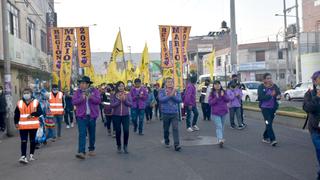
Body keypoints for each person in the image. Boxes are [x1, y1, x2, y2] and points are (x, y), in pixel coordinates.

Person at [72, 76, 101, 159]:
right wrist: (82, 98)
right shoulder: (77, 92)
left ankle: (91, 149)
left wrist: (91, 96)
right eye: (81, 83)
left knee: (92, 134)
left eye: (84, 83)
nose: (82, 85)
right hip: (81, 117)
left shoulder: (94, 91)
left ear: (88, 84)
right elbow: (74, 102)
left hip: (92, 116)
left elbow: (98, 101)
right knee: (82, 134)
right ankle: (81, 152)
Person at [14, 88, 43, 164]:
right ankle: (23, 156)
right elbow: (16, 114)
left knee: (32, 141)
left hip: (33, 126)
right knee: (23, 141)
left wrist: (32, 115)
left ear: (31, 93)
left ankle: (31, 155)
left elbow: (40, 112)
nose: (26, 94)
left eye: (27, 93)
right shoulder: (19, 103)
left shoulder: (36, 102)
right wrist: (16, 122)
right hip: (23, 126)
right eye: (24, 93)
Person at [303, 71, 320, 180]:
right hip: (315, 129)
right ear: (314, 81)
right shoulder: (309, 94)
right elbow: (307, 108)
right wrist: (317, 98)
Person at [257, 73, 281, 146]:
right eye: (267, 78)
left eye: (270, 78)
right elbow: (261, 97)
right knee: (268, 122)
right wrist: (270, 95)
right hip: (265, 109)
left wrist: (278, 96)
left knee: (269, 123)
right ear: (264, 80)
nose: (269, 80)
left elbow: (278, 93)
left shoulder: (274, 86)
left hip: (273, 108)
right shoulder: (261, 87)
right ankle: (273, 139)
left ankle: (265, 136)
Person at [159, 77, 182, 151]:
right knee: (166, 129)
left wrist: (173, 95)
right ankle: (166, 140)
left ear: (173, 83)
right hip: (165, 113)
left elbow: (179, 100)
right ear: (165, 83)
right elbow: (161, 100)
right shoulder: (162, 91)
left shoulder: (176, 91)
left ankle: (176, 144)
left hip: (174, 113)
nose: (170, 83)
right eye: (168, 82)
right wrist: (170, 95)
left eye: (171, 82)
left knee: (175, 128)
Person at [111, 81, 132, 154]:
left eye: (122, 86)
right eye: (119, 86)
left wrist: (125, 100)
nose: (121, 87)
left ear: (124, 87)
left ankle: (125, 145)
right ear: (117, 87)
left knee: (126, 131)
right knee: (118, 131)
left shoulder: (127, 94)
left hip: (125, 115)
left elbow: (130, 104)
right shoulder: (113, 95)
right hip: (116, 115)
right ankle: (119, 145)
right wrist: (119, 101)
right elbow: (112, 105)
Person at [209, 80, 229, 148]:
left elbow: (228, 100)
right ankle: (220, 139)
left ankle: (220, 138)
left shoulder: (223, 92)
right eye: (215, 84)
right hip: (216, 113)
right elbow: (210, 103)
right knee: (219, 126)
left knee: (222, 126)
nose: (217, 85)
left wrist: (223, 96)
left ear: (220, 85)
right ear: (213, 86)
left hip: (223, 111)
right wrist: (216, 98)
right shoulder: (212, 94)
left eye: (218, 84)